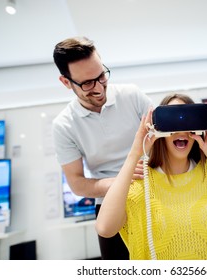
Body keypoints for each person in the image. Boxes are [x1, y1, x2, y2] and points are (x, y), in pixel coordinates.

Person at [96, 93, 207, 260]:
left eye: (187, 119)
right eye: (173, 119)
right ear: (158, 128)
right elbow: (105, 228)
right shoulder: (141, 184)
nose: (181, 127)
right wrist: (135, 154)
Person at [52, 36, 153, 260]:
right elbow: (77, 184)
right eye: (87, 83)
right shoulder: (64, 125)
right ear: (66, 82)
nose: (98, 88)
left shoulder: (132, 95)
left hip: (154, 193)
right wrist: (123, 181)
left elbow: (163, 138)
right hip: (109, 205)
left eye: (101, 76)